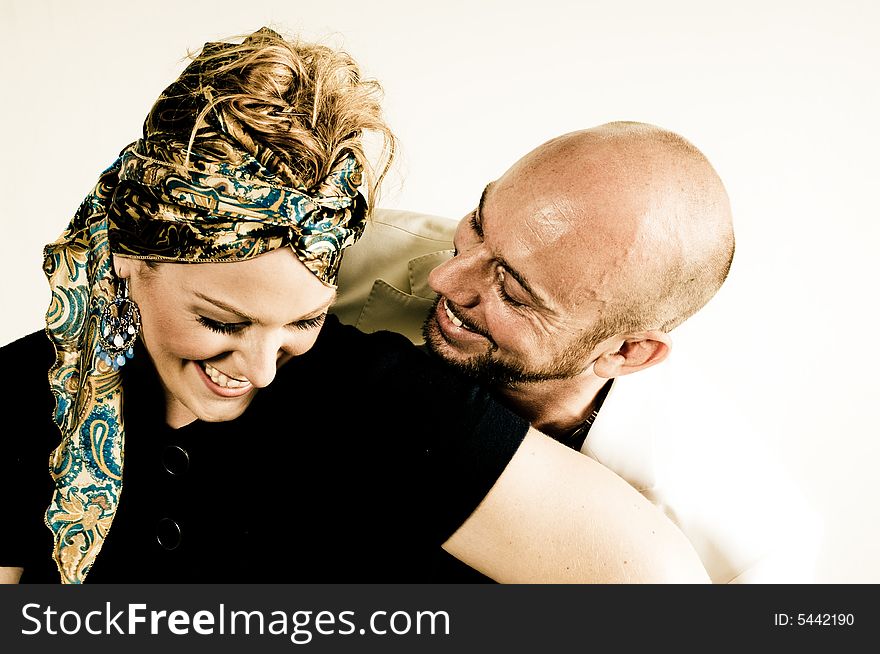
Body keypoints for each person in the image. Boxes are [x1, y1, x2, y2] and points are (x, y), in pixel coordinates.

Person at [0, 29, 710, 584]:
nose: (262, 367)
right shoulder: (21, 388)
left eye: (303, 321)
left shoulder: (387, 401)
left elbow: (664, 595)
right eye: (221, 320)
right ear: (130, 262)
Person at [333, 123, 822, 583]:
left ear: (628, 352)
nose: (446, 278)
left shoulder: (753, 554)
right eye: (478, 225)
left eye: (513, 291)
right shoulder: (340, 251)